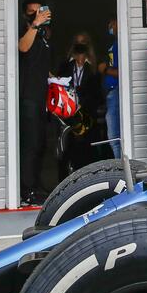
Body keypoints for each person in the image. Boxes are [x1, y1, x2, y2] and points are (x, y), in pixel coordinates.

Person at [18, 0, 53, 206]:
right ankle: (26, 190)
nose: (36, 14)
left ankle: (37, 187)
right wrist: (34, 24)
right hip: (27, 96)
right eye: (32, 12)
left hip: (42, 97)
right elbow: (23, 48)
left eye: (39, 11)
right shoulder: (27, 31)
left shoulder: (44, 36)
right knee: (29, 145)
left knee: (40, 144)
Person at [55, 31, 105, 176]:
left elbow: (97, 93)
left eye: (83, 42)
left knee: (88, 148)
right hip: (68, 114)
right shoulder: (65, 65)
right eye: (77, 42)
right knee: (67, 149)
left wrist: (83, 103)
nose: (80, 47)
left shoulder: (95, 66)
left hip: (88, 114)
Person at [98, 15, 121, 158]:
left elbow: (123, 72)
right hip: (112, 93)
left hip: (118, 92)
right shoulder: (115, 43)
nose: (110, 27)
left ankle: (121, 172)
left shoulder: (121, 44)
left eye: (113, 23)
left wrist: (105, 69)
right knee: (113, 137)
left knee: (115, 137)